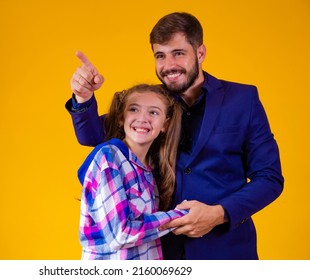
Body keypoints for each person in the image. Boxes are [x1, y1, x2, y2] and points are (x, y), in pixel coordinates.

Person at [66, 12, 284, 260]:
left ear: (200, 53)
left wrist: (219, 213)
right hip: (158, 253)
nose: (168, 65)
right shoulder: (150, 103)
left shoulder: (244, 99)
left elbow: (269, 178)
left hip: (227, 252)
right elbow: (91, 135)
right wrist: (83, 97)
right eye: (160, 55)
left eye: (178, 53)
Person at [77, 83, 187, 260]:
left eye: (153, 112)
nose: (142, 119)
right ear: (121, 117)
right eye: (134, 110)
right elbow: (119, 234)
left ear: (165, 124)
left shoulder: (150, 169)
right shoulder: (110, 158)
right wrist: (181, 216)